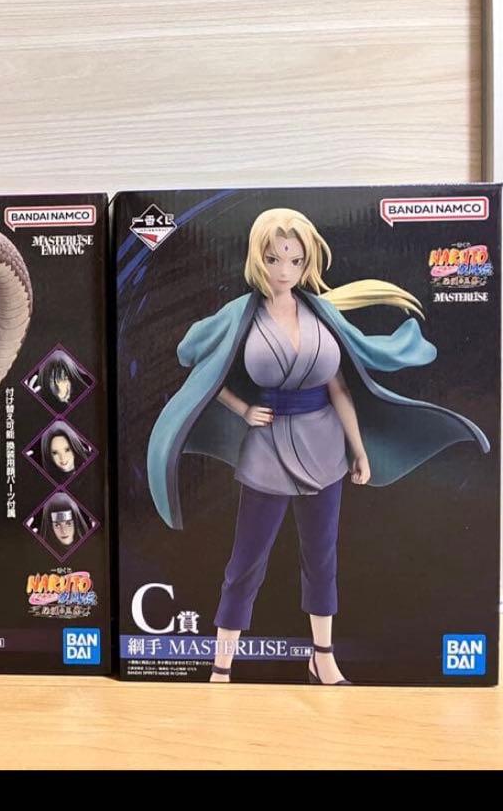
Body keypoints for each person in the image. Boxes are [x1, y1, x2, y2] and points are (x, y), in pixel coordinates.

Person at [147, 208, 490, 684]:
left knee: (322, 557)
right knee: (246, 560)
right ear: (258, 259)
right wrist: (243, 410)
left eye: (294, 259)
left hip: (325, 446)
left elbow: (340, 388)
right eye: (273, 259)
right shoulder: (240, 314)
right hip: (267, 447)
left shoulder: (319, 312)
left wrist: (359, 449)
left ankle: (322, 656)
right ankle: (222, 664)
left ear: (306, 261)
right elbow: (199, 367)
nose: (283, 270)